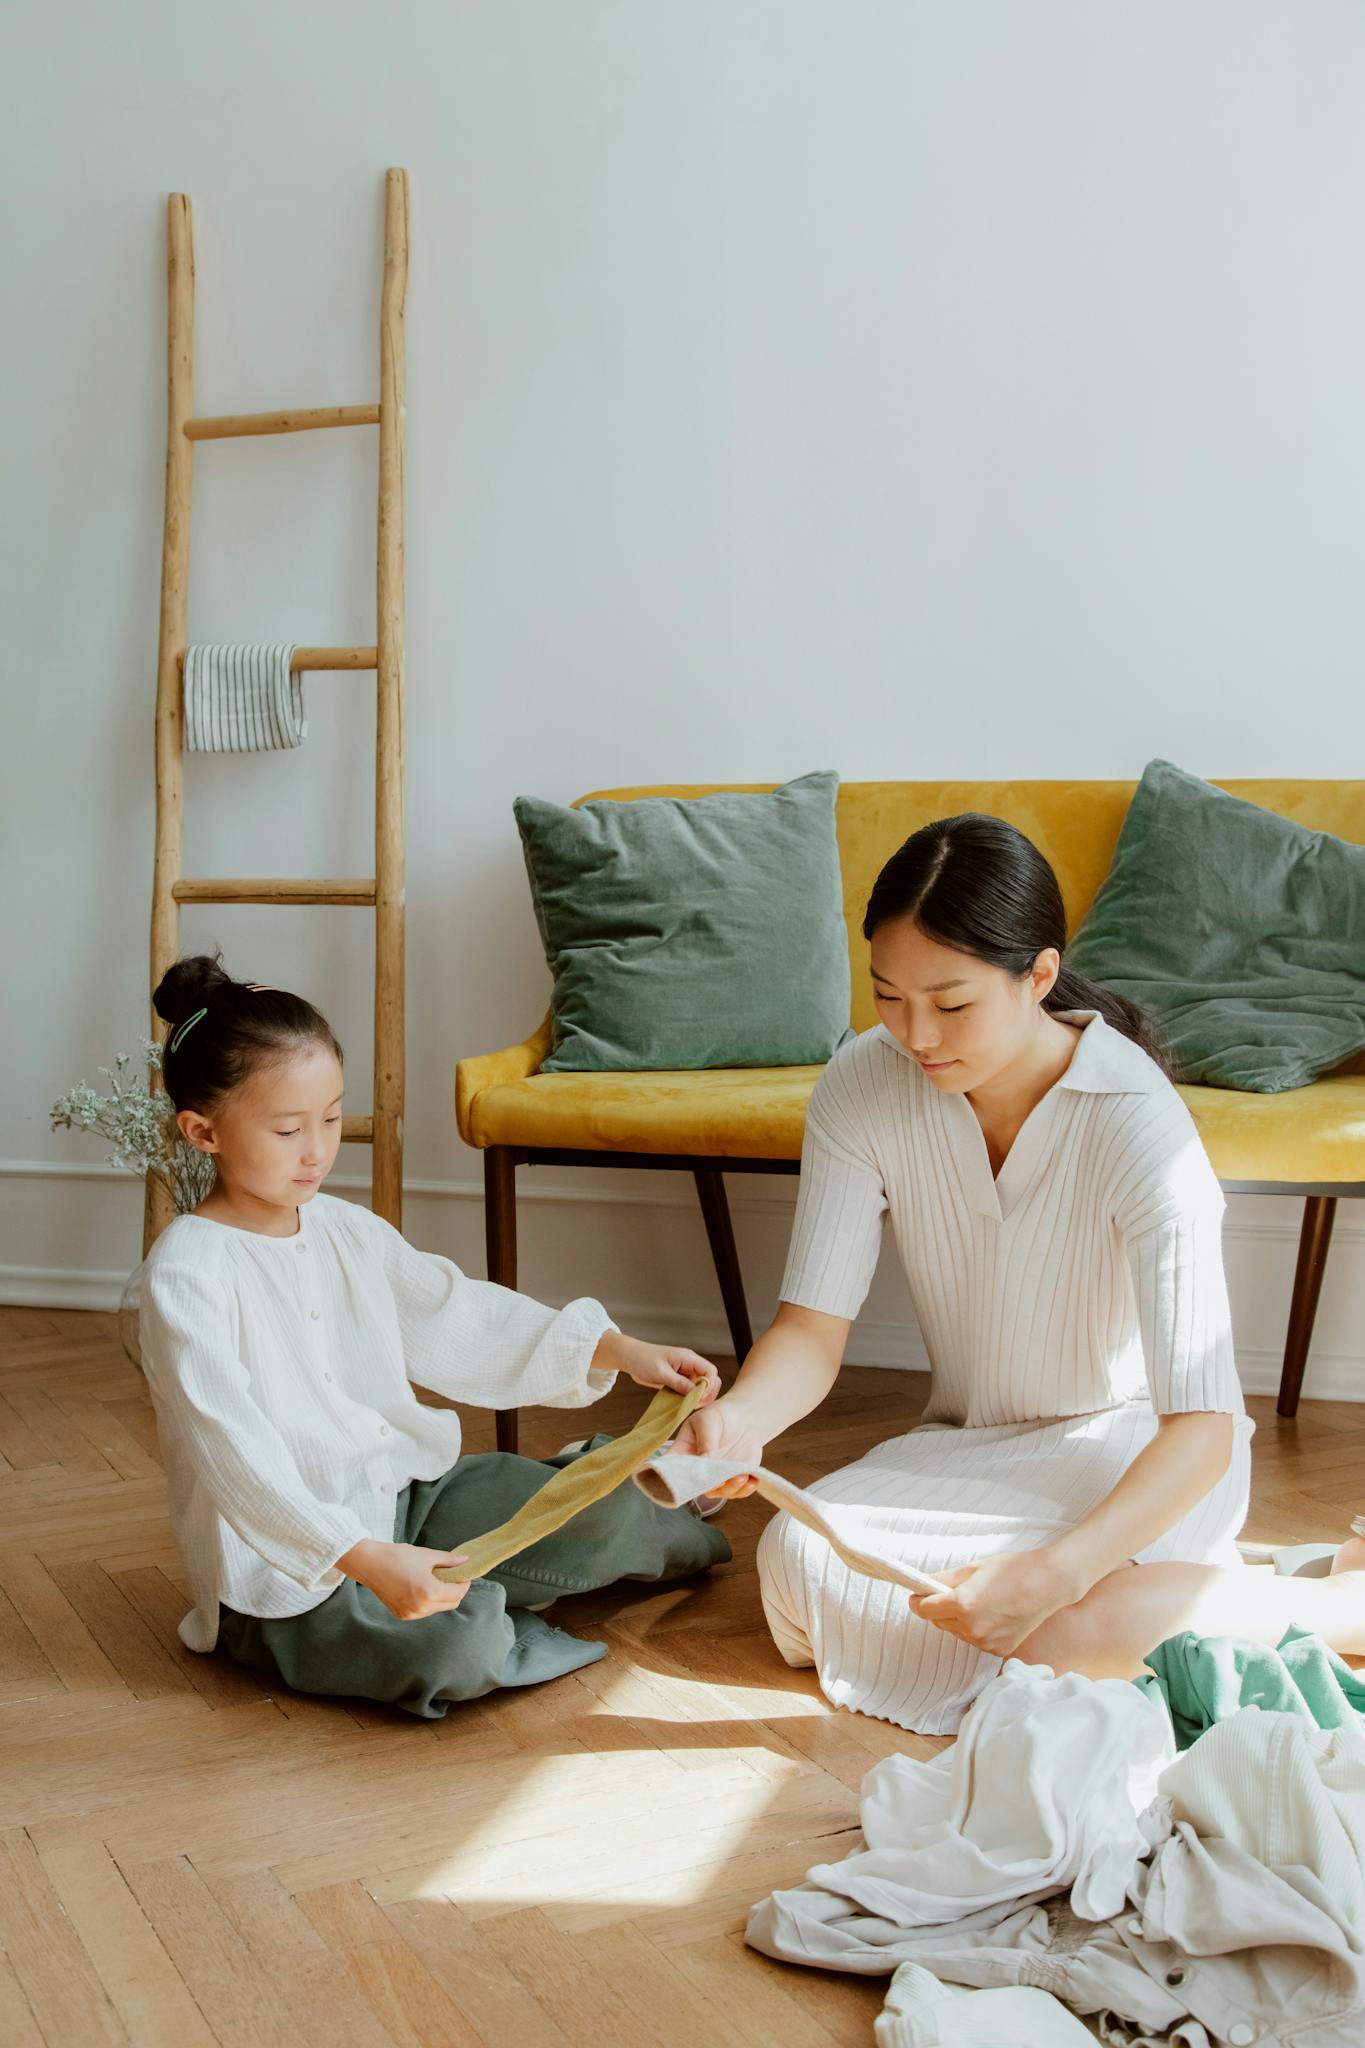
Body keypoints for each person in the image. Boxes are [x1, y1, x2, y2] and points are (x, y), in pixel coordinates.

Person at [674, 814, 1365, 1733]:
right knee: (799, 1561)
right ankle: (1164, 1611)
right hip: (967, 1444)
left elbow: (1201, 1426)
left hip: (1138, 1454)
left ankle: (1334, 1609)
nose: (915, 1035)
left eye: (951, 1004)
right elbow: (810, 1330)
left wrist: (1055, 1572)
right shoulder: (858, 1087)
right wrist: (741, 1423)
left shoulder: (1135, 1123)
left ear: (1037, 977)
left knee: (1052, 1620)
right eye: (888, 997)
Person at [138, 953, 728, 1719]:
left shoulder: (346, 1229)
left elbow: (458, 1315)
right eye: (287, 1129)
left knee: (604, 1504)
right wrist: (364, 1560)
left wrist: (619, 1350)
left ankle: (640, 1516)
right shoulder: (186, 1276)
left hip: (404, 1496)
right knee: (456, 1648)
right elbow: (234, 1455)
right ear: (202, 1132)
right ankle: (487, 1615)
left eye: (329, 1117)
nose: (318, 1150)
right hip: (290, 1577)